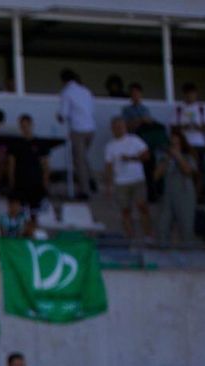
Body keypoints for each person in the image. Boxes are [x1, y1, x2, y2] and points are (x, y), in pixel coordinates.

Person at [101, 116, 152, 239]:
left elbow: (147, 156)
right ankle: (130, 237)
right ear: (112, 129)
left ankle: (148, 235)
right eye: (116, 127)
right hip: (120, 182)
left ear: (125, 127)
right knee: (125, 210)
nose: (118, 129)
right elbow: (108, 166)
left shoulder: (134, 140)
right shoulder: (110, 146)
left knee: (142, 206)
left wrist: (131, 158)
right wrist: (108, 185)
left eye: (121, 126)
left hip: (137, 179)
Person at [57, 69, 96, 198]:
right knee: (83, 157)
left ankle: (85, 191)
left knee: (79, 161)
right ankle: (91, 180)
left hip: (78, 129)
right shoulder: (86, 91)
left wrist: (58, 116)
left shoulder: (67, 92)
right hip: (90, 128)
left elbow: (63, 114)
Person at [156, 130, 200, 246]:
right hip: (168, 194)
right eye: (172, 144)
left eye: (176, 144)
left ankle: (189, 252)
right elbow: (156, 176)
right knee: (163, 224)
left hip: (185, 193)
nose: (174, 147)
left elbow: (188, 171)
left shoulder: (189, 157)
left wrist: (178, 157)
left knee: (186, 225)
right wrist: (167, 159)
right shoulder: (164, 158)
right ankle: (163, 251)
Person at [174, 82, 205, 150]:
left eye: (193, 93)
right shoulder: (178, 109)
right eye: (188, 93)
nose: (190, 96)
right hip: (182, 142)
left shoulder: (202, 108)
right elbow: (172, 128)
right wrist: (184, 127)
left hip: (198, 142)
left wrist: (197, 127)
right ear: (184, 94)